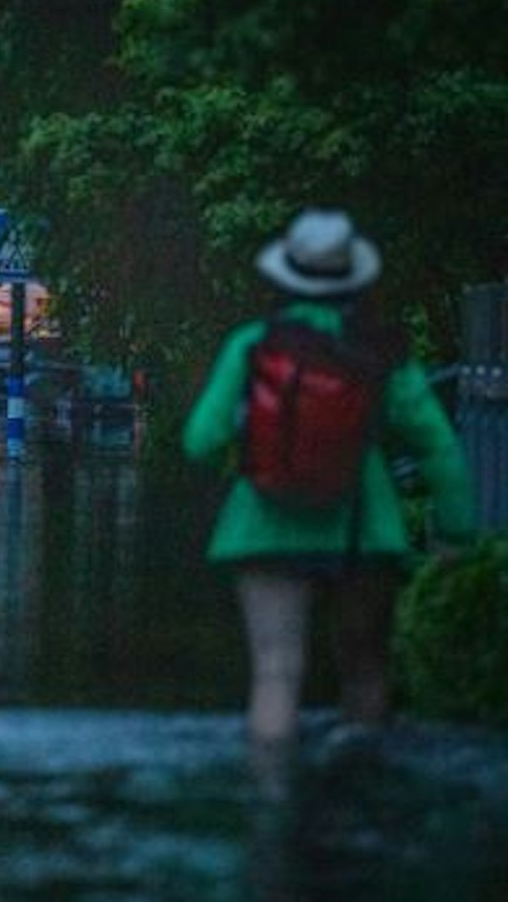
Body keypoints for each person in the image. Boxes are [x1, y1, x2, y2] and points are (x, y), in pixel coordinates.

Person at [182, 209, 473, 755]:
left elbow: (200, 440)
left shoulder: (253, 345)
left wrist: (256, 457)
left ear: (285, 276)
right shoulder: (381, 351)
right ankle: (362, 796)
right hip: (362, 530)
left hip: (262, 528)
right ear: (355, 279)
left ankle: (271, 800)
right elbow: (438, 448)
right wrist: (454, 536)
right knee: (365, 670)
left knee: (276, 671)